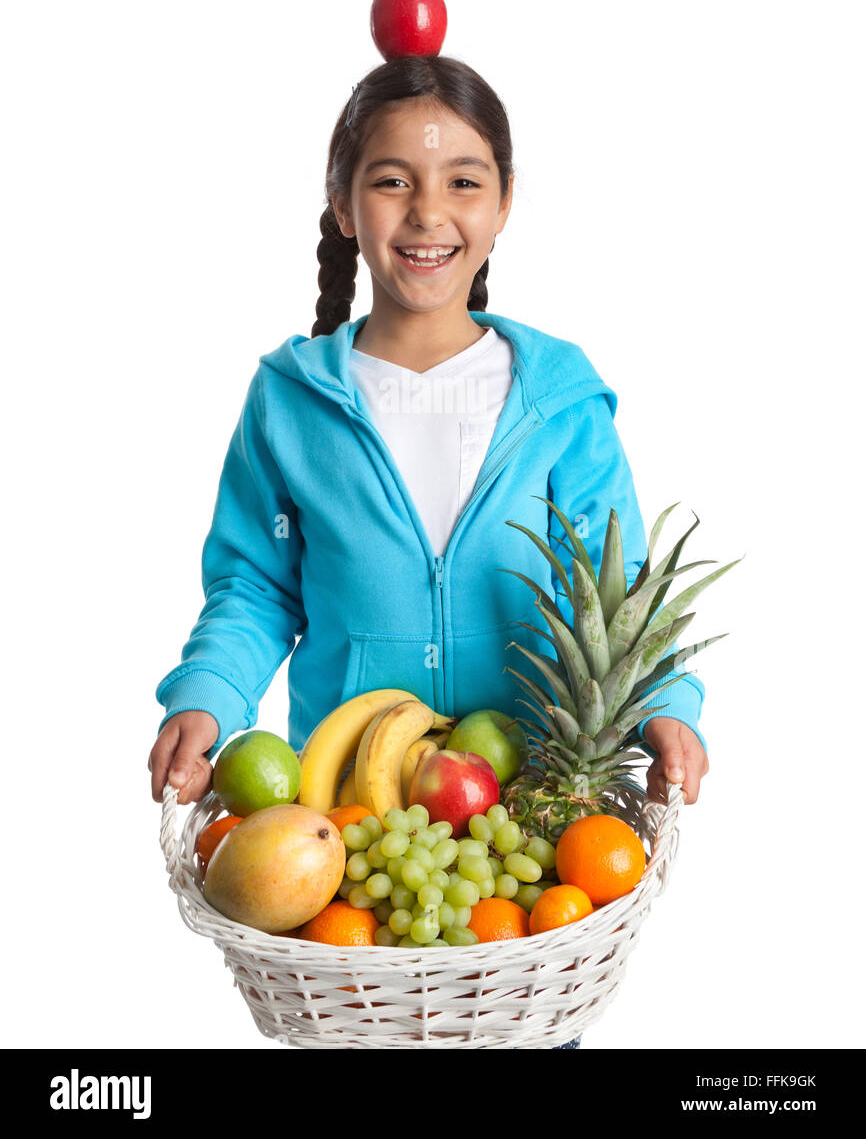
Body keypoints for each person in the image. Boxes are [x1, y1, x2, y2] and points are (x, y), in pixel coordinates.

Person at [148, 58, 709, 1044]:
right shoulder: (290, 398)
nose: (426, 213)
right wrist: (207, 694)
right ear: (341, 204)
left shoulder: (561, 396)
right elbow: (254, 584)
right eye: (390, 177)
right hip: (344, 833)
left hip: (533, 829)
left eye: (463, 180)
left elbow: (616, 590)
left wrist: (665, 706)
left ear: (499, 206)